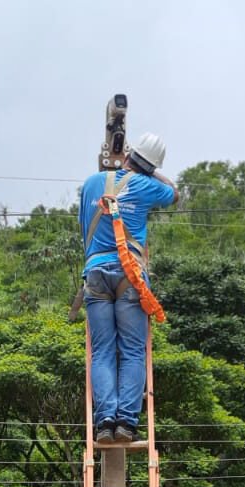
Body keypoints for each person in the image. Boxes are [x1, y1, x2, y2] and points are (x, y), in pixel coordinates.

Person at [80, 132, 179, 444]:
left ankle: (105, 421)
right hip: (130, 275)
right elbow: (174, 192)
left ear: (128, 155)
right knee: (133, 351)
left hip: (95, 272)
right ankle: (125, 423)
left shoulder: (91, 183)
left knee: (103, 351)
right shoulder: (148, 186)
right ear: (150, 167)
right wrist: (151, 172)